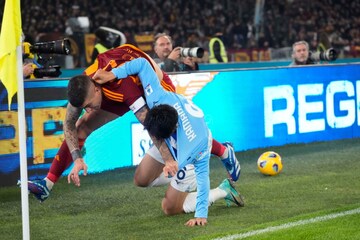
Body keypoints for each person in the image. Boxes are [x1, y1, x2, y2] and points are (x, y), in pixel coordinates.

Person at [26, 44, 241, 202]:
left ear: (97, 88)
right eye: (85, 106)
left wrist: (168, 159)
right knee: (81, 125)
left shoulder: (124, 87)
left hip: (155, 86)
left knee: (171, 131)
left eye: (90, 105)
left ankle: (222, 151)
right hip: (114, 88)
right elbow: (69, 123)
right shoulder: (84, 83)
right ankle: (47, 184)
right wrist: (77, 158)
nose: (89, 110)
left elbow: (148, 123)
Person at [71, 57, 244, 226]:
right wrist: (113, 74)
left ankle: (224, 190)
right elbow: (141, 63)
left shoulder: (193, 147)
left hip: (187, 155)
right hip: (175, 133)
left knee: (169, 208)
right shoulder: (156, 97)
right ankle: (217, 156)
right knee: (141, 179)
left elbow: (203, 176)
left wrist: (201, 215)